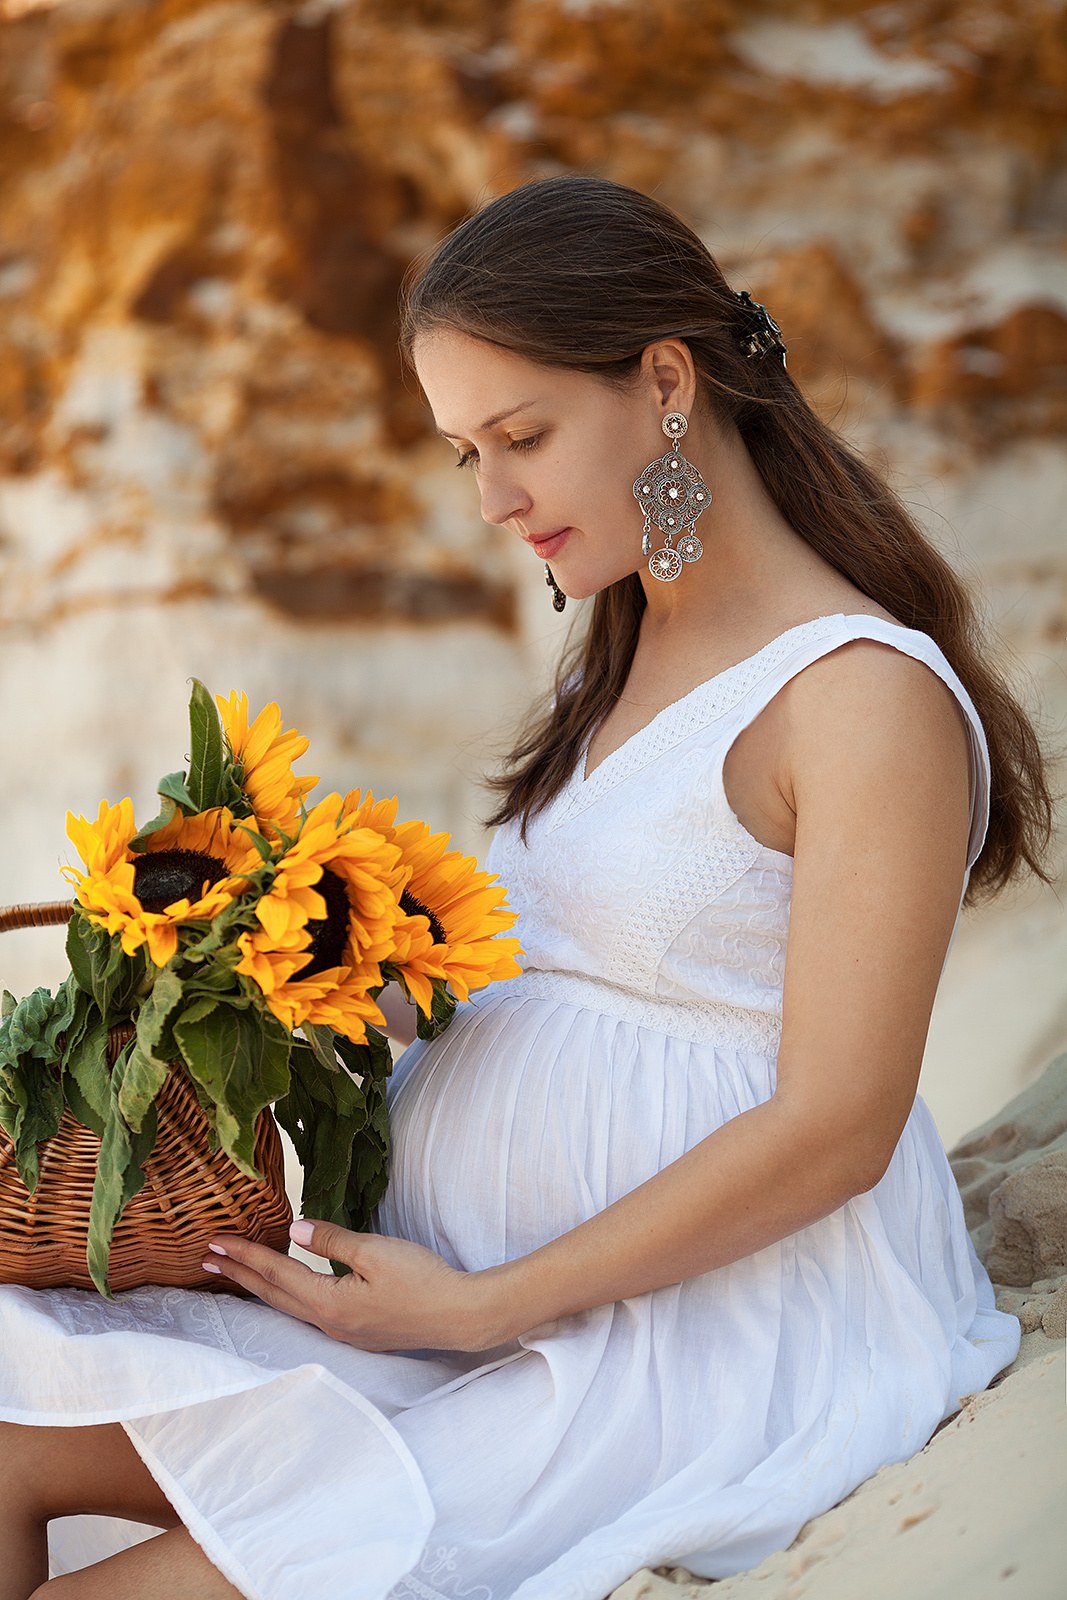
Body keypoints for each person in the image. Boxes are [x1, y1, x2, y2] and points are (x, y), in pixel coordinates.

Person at [0, 176, 1053, 1600]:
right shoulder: (625, 654)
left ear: (665, 383)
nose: (495, 500)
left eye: (523, 438)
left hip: (694, 1346)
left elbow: (839, 1127)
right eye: (464, 455)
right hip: (458, 1315)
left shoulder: (859, 699)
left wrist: (487, 1299)